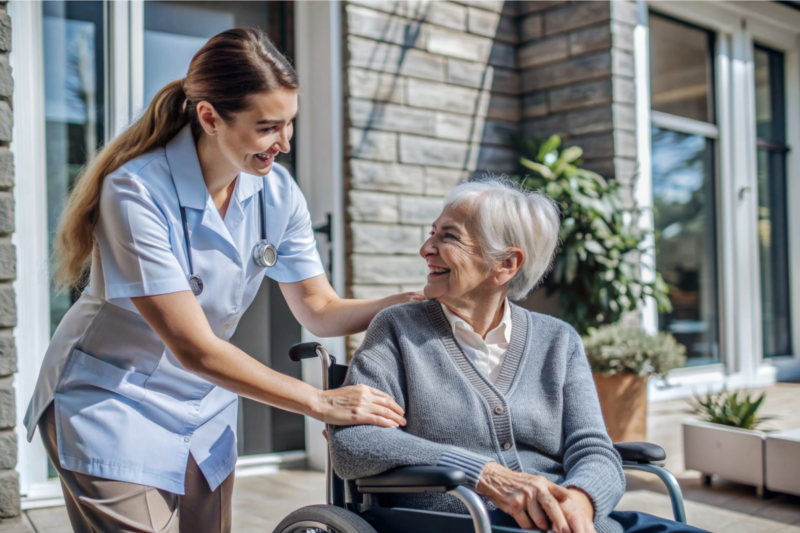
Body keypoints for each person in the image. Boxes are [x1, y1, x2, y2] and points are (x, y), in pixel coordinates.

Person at [24, 28, 418, 533]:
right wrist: (321, 403)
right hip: (114, 400)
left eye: (290, 123)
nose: (284, 142)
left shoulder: (276, 191)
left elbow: (318, 308)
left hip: (203, 406)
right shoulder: (135, 192)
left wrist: (410, 300)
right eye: (267, 127)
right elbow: (194, 346)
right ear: (210, 117)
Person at [329, 178, 710, 533]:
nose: (426, 249)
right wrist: (484, 474)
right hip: (463, 523)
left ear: (506, 264)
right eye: (432, 233)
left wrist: (581, 501)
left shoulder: (558, 341)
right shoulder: (398, 329)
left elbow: (592, 448)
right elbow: (353, 444)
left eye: (448, 237)